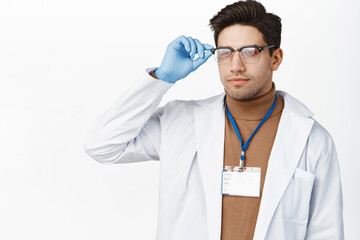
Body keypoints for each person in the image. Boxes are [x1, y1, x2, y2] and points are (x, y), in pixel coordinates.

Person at [84, 0, 344, 239]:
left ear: (275, 58)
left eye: (250, 51)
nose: (235, 66)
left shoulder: (312, 139)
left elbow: (327, 231)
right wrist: (163, 77)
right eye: (225, 52)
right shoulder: (179, 122)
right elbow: (101, 145)